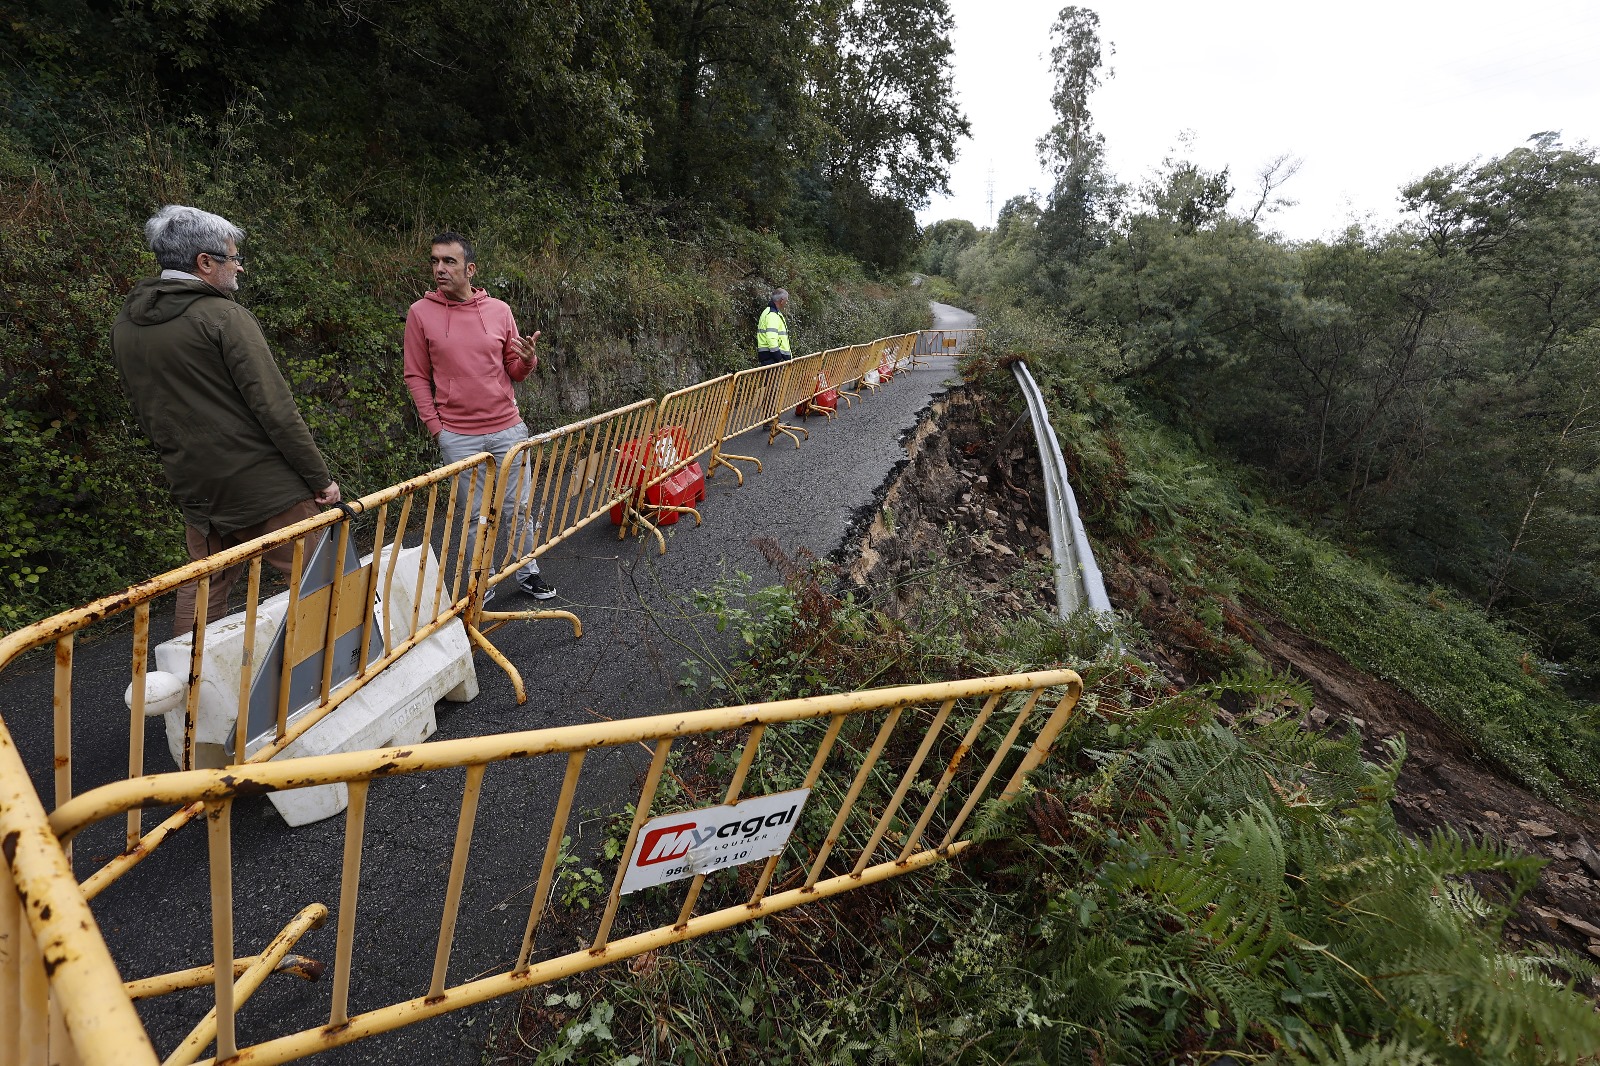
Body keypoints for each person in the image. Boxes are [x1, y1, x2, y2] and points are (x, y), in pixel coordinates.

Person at [111, 205, 342, 637]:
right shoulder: (223, 317)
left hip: (196, 488)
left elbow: (143, 410)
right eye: (233, 258)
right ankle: (332, 685)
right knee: (322, 580)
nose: (238, 268)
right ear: (205, 262)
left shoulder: (126, 325)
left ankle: (185, 691)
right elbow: (274, 407)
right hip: (265, 484)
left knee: (204, 589)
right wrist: (319, 477)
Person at [403, 231, 556, 601]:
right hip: (459, 436)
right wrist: (437, 429)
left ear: (470, 268)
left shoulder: (499, 311)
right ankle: (480, 582)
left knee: (518, 509)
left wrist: (528, 360)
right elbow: (416, 375)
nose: (440, 268)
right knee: (475, 517)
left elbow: (513, 370)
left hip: (508, 429)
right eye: (435, 261)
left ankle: (527, 572)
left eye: (449, 261)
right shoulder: (420, 314)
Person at [755, 289, 792, 366]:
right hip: (773, 360)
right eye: (786, 300)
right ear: (781, 300)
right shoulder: (772, 315)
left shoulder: (770, 312)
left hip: (771, 359)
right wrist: (779, 358)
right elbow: (771, 339)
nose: (786, 303)